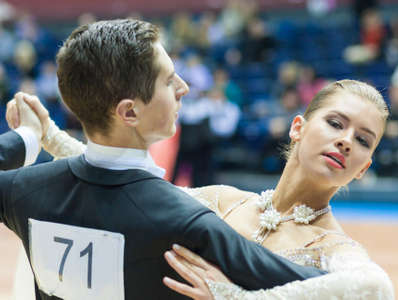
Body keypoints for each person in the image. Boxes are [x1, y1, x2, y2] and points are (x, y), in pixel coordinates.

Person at [1, 19, 325, 300]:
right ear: (130, 111)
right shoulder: (185, 220)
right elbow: (320, 289)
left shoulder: (23, 190)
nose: (183, 87)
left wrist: (28, 137)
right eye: (169, 81)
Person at [10, 80, 394, 299]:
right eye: (335, 123)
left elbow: (376, 288)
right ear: (298, 127)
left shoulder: (335, 248)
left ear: (364, 167)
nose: (346, 141)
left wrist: (238, 299)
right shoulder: (224, 199)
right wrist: (51, 136)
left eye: (363, 140)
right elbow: (135, 194)